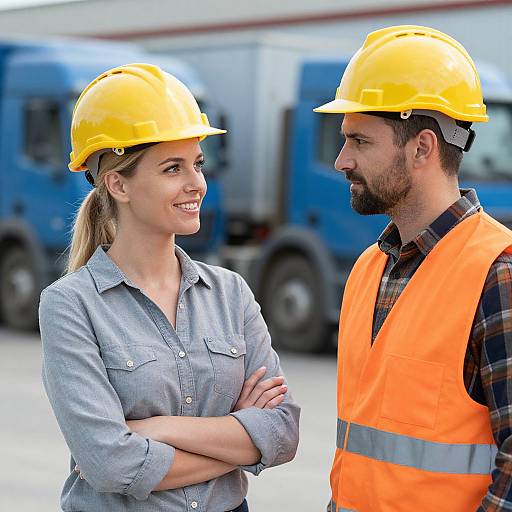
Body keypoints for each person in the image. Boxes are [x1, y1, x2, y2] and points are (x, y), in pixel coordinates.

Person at [39, 63, 300, 512]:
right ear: (118, 183)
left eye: (197, 164)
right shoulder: (70, 305)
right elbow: (108, 464)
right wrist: (236, 436)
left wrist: (157, 427)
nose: (196, 183)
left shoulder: (230, 293)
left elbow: (280, 434)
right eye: (172, 168)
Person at [314, 25, 512, 511]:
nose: (342, 161)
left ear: (422, 148)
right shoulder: (367, 268)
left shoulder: (498, 271)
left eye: (359, 141)